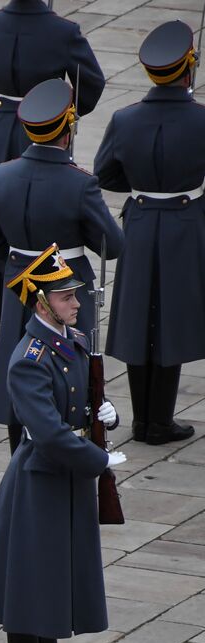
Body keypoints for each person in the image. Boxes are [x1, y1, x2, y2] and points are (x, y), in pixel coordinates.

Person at [0, 245, 125, 643]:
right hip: (41, 477)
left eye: (73, 295)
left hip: (68, 475)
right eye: (65, 297)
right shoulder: (30, 357)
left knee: (55, 573)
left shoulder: (72, 340)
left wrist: (108, 415)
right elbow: (47, 430)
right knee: (29, 577)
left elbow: (81, 405)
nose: (76, 303)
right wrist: (96, 460)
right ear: (41, 302)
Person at [0, 78, 123, 449]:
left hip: (18, 284)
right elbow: (112, 244)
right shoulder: (80, 183)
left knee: (18, 370)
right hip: (66, 284)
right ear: (68, 127)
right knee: (71, 375)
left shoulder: (1, 174)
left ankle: (18, 453)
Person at [95, 21, 205, 444]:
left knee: (140, 317)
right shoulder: (200, 120)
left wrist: (144, 187)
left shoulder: (125, 119)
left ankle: (145, 420)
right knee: (172, 319)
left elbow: (106, 172)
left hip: (140, 221)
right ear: (187, 68)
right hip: (185, 221)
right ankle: (159, 420)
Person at [0, 0, 104, 325]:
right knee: (45, 217)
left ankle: (6, 316)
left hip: (0, 126)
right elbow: (91, 85)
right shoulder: (64, 32)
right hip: (45, 130)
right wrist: (59, 110)